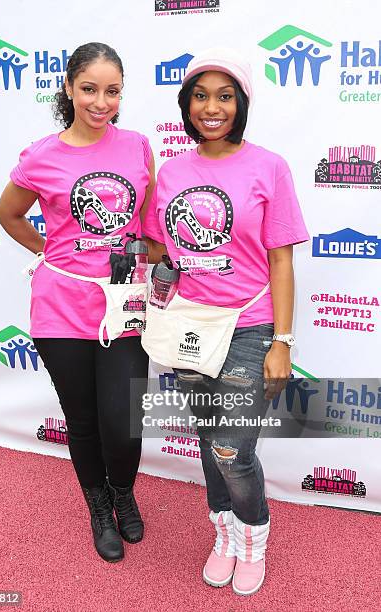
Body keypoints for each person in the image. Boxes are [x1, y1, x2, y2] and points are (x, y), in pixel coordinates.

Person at [142, 48, 309, 595]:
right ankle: (223, 536)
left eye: (224, 96)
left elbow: (281, 260)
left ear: (240, 105)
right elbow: (163, 247)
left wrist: (281, 341)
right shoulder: (172, 172)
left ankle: (253, 540)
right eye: (200, 95)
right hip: (190, 324)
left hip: (250, 326)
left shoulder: (269, 166)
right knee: (210, 438)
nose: (211, 107)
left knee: (232, 449)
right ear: (186, 105)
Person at [0, 42, 154, 563]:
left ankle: (124, 493)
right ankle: (98, 505)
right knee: (83, 420)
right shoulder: (42, 156)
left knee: (123, 421)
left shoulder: (137, 146)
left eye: (112, 91)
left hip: (124, 307)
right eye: (89, 89)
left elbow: (148, 227)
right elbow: (10, 215)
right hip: (61, 308)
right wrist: (49, 253)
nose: (100, 101)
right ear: (68, 88)